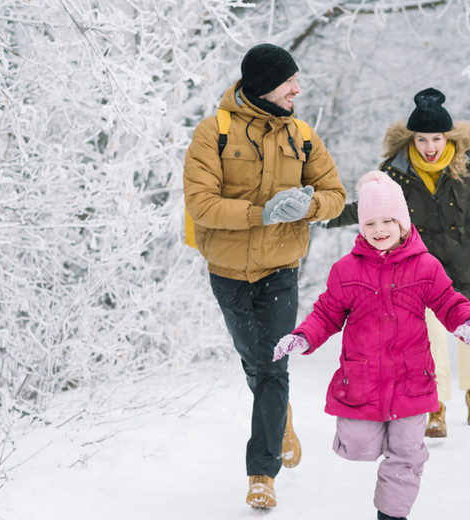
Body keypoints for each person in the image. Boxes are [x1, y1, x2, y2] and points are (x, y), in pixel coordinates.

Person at [326, 87, 470, 438]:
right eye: (422, 139)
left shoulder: (468, 165)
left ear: (447, 137)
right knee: (430, 341)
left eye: (436, 138)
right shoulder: (397, 172)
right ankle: (436, 407)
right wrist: (322, 215)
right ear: (412, 139)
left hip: (467, 263)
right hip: (420, 270)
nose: (430, 147)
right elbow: (368, 209)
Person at [272, 171, 470, 520]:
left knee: (406, 453)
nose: (380, 229)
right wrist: (303, 337)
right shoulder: (346, 270)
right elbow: (327, 313)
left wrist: (467, 323)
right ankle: (372, 448)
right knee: (356, 443)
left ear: (403, 223)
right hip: (362, 380)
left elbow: (449, 301)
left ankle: (391, 514)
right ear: (361, 227)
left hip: (412, 380)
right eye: (371, 222)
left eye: (388, 220)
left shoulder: (425, 266)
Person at [182, 43, 346, 509]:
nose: (298, 88)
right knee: (256, 363)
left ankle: (262, 473)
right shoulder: (213, 133)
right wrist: (264, 213)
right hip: (228, 272)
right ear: (263, 86)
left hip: (281, 271)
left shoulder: (302, 135)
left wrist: (309, 206)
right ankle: (280, 419)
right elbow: (203, 205)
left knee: (273, 365)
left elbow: (335, 193)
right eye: (289, 81)